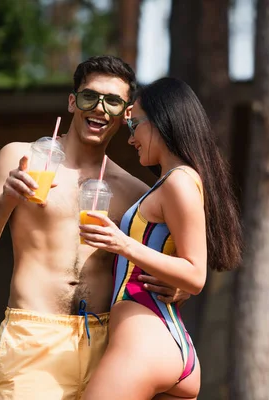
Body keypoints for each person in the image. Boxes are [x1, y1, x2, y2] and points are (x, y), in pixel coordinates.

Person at [0, 56, 189, 399]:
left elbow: (177, 266)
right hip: (34, 339)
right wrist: (6, 201)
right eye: (89, 96)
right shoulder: (20, 159)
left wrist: (178, 289)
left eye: (112, 101)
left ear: (126, 113)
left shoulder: (136, 193)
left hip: (109, 344)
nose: (99, 108)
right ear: (72, 101)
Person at [80, 77, 243, 400]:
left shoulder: (179, 183)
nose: (131, 139)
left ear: (161, 122)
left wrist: (122, 243)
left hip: (143, 346)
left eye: (135, 125)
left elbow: (195, 274)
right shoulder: (175, 182)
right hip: (168, 346)